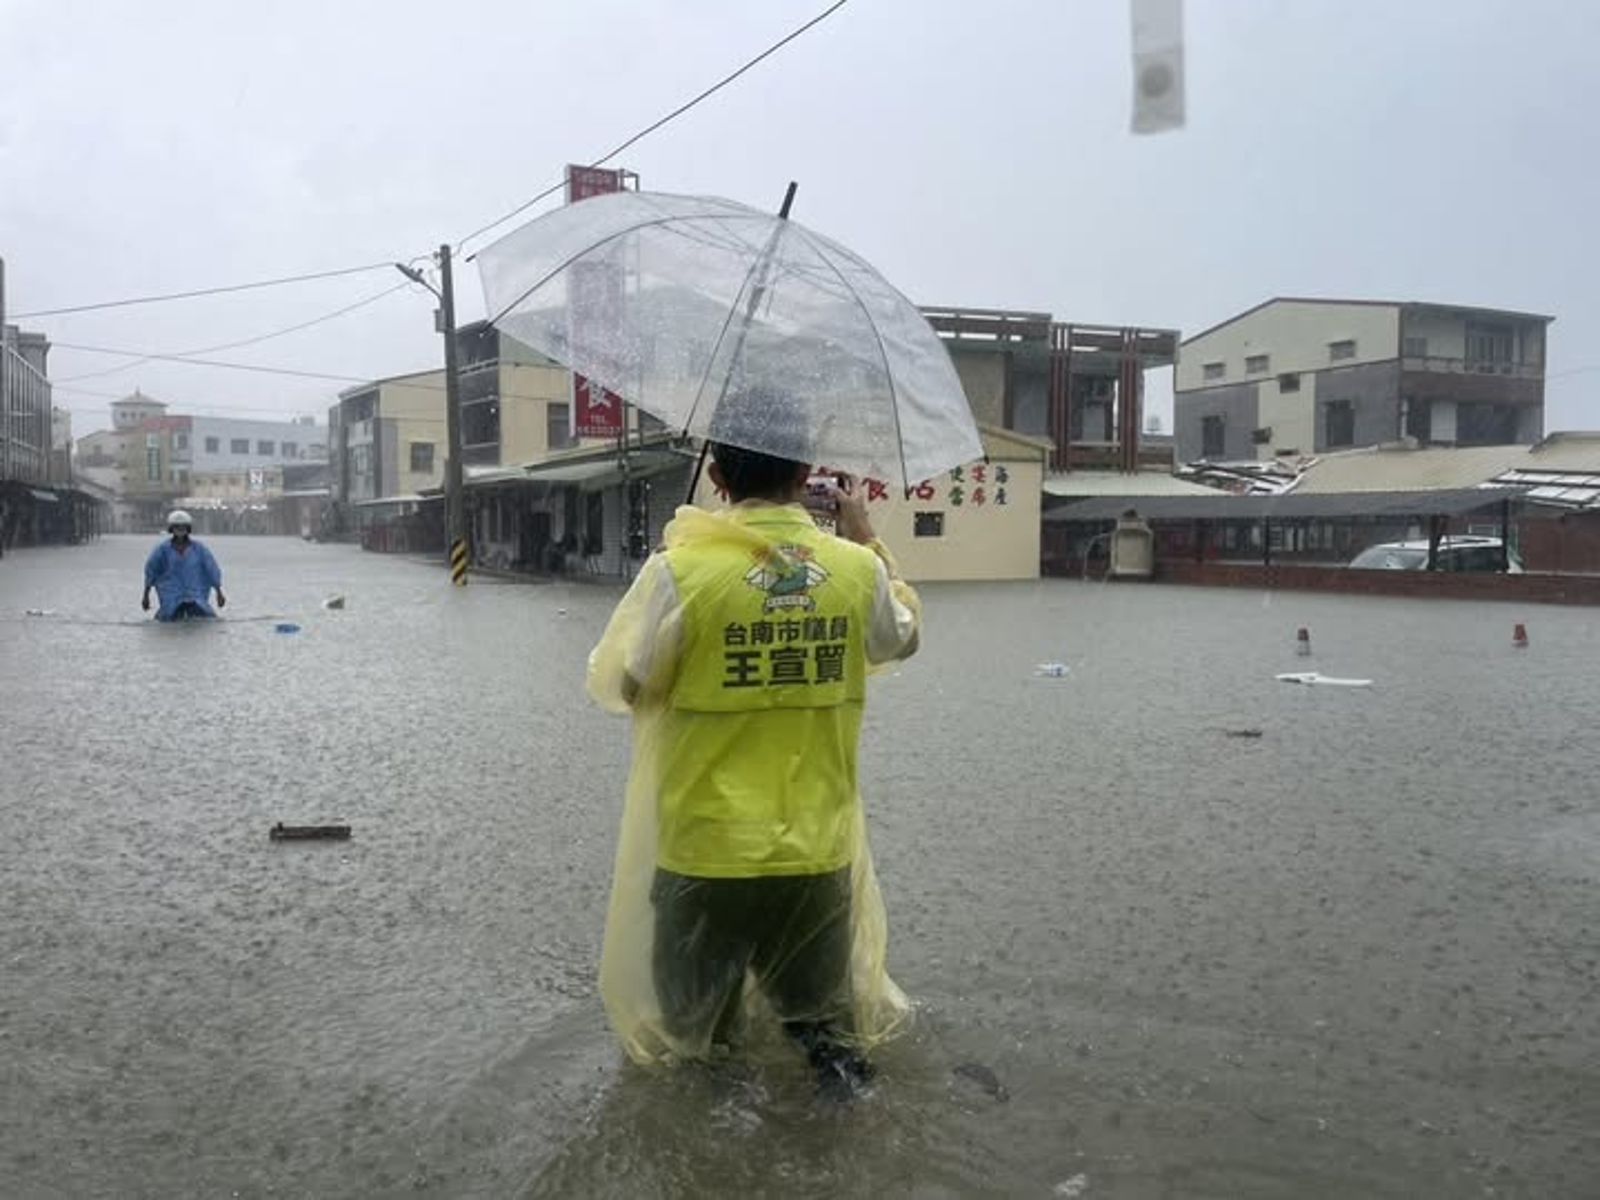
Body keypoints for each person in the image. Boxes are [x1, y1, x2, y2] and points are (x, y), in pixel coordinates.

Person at [586, 432, 921, 1099]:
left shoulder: (680, 573)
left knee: (699, 1050)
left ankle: (719, 1165)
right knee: (828, 1042)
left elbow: (626, 683)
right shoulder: (856, 570)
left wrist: (661, 579)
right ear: (806, 473)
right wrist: (867, 539)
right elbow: (900, 637)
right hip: (815, 856)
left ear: (716, 474)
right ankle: (842, 1155)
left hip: (703, 855)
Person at [142, 510, 225, 621]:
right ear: (171, 529)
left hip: (196, 599)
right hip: (171, 600)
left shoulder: (199, 549)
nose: (180, 530)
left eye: (183, 527)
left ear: (188, 528)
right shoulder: (162, 550)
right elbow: (151, 571)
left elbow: (212, 569)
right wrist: (146, 596)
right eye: (177, 527)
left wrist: (219, 593)